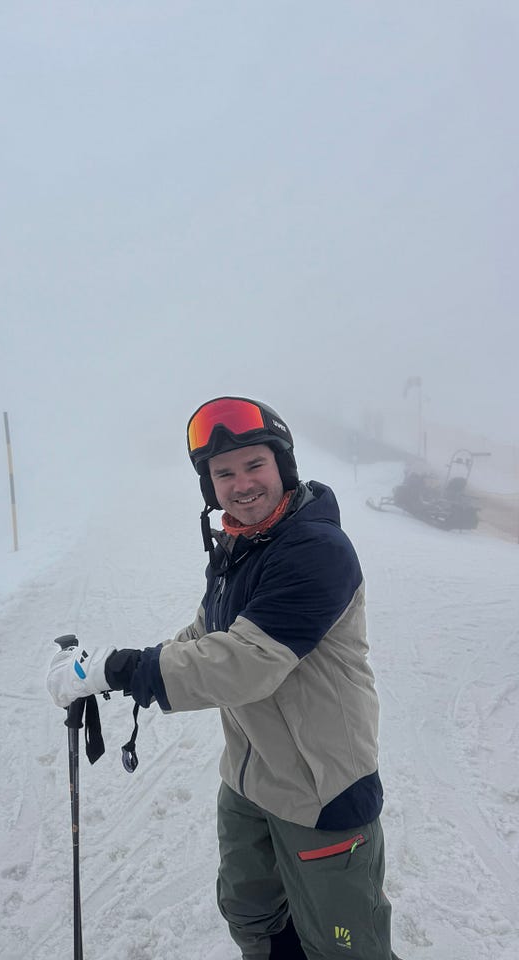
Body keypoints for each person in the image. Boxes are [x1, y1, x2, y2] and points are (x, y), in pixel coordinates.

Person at [47, 396, 401, 960]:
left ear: (282, 465)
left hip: (322, 790)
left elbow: (246, 662)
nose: (242, 484)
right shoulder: (241, 545)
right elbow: (206, 633)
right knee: (251, 915)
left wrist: (124, 668)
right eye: (224, 473)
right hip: (250, 779)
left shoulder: (316, 550)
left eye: (254, 465)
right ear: (210, 486)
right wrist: (106, 672)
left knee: (344, 947)